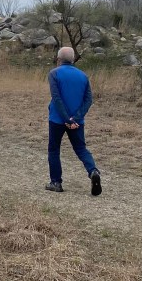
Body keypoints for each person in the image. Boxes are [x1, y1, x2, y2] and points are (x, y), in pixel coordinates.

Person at [46, 46, 102, 195]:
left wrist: (66, 119)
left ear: (58, 59)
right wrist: (76, 118)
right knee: (81, 149)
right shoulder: (83, 76)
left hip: (57, 120)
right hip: (77, 122)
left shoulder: (54, 73)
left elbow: (57, 99)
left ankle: (56, 182)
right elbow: (88, 99)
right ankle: (93, 171)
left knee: (54, 150)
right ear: (73, 59)